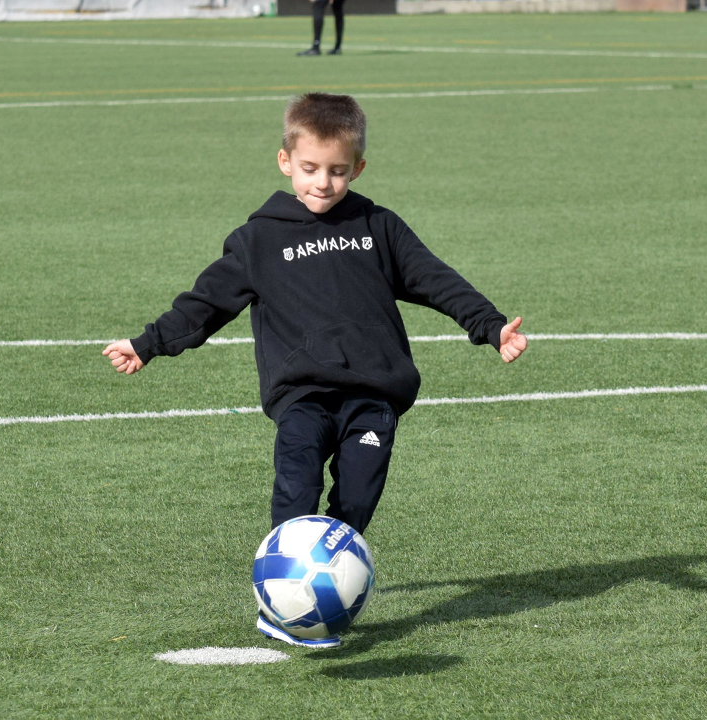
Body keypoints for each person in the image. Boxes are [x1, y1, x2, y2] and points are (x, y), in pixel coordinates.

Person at [102, 92, 528, 648]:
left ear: (358, 168)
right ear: (285, 162)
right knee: (296, 490)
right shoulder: (259, 239)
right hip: (302, 396)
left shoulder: (378, 226)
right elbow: (204, 304)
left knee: (354, 502)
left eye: (337, 171)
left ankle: (326, 596)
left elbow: (435, 278)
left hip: (373, 397)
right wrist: (148, 344)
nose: (322, 183)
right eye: (309, 169)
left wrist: (490, 326)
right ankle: (281, 603)